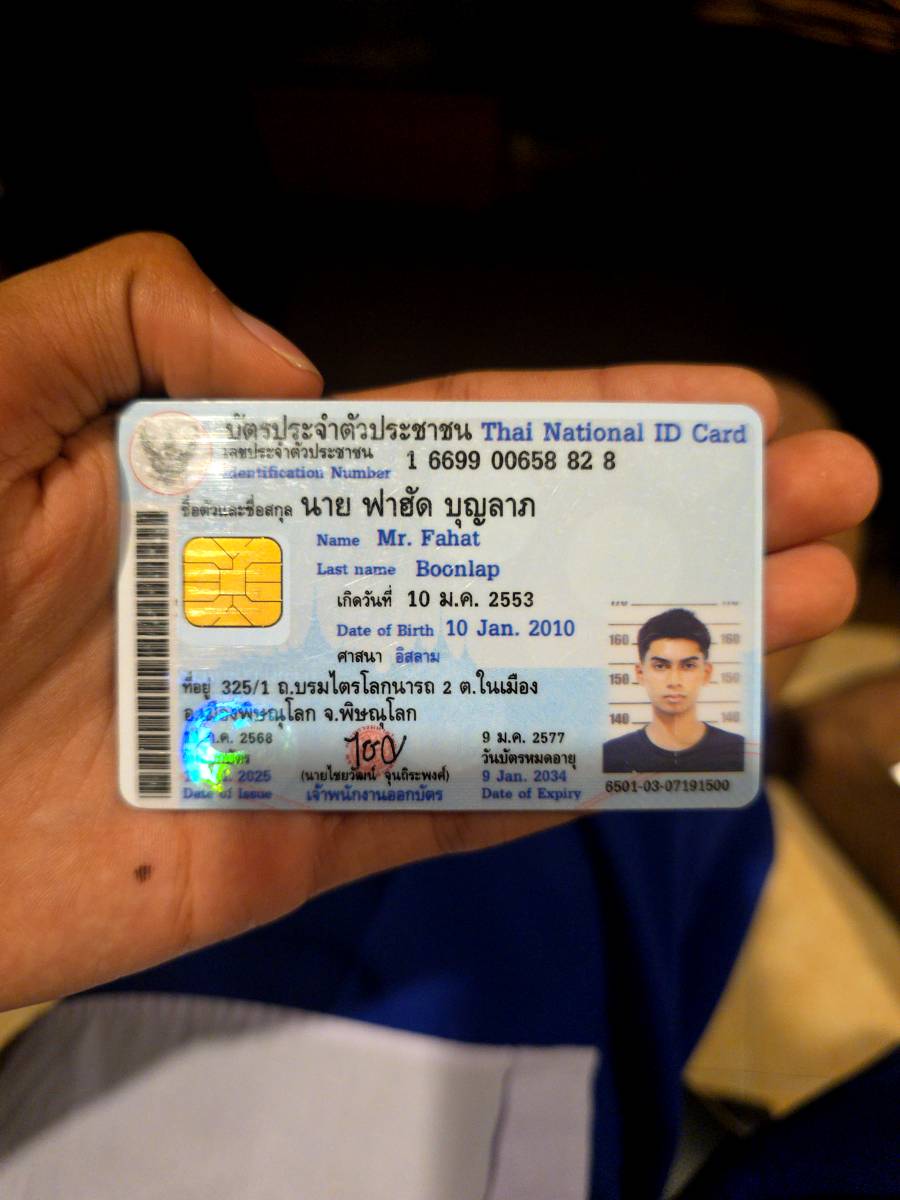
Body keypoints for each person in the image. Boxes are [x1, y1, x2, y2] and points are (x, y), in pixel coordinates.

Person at [0, 234, 882, 1198]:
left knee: (763, 510)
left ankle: (778, 738)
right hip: (466, 1021)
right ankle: (785, 740)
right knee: (761, 519)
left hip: (153, 1035)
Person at [603, 608, 745, 772]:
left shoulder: (740, 752)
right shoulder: (610, 756)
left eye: (688, 666)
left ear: (706, 673)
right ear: (640, 673)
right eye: (660, 666)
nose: (674, 681)